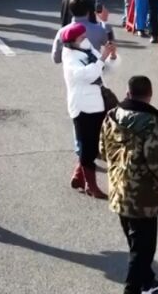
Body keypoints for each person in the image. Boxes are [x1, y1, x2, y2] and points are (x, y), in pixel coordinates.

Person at [100, 75, 158, 294]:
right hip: (143, 195)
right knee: (143, 249)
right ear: (149, 95)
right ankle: (132, 289)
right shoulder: (152, 123)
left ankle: (148, 280)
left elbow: (103, 150)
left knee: (135, 241)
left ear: (128, 93)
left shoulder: (111, 116)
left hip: (118, 188)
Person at [59, 22, 114, 200]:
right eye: (82, 37)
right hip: (83, 107)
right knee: (87, 146)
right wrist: (101, 59)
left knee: (94, 143)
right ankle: (91, 186)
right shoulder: (70, 58)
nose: (86, 39)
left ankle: (78, 175)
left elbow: (104, 65)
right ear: (72, 41)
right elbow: (85, 75)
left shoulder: (86, 48)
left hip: (97, 103)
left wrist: (110, 56)